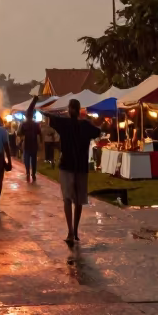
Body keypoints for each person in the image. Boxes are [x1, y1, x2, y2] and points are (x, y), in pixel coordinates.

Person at [41, 95, 102, 245]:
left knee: (67, 199)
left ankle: (70, 231)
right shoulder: (86, 126)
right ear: (79, 110)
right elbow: (98, 131)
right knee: (79, 200)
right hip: (81, 167)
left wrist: (44, 109)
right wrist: (87, 119)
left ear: (69, 110)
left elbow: (50, 116)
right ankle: (75, 230)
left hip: (67, 166)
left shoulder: (64, 123)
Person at [19, 108, 42, 183]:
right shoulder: (35, 124)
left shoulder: (25, 124)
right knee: (31, 160)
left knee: (28, 160)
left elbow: (19, 133)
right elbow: (40, 134)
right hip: (31, 145)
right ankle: (31, 173)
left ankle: (30, 172)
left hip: (30, 145)